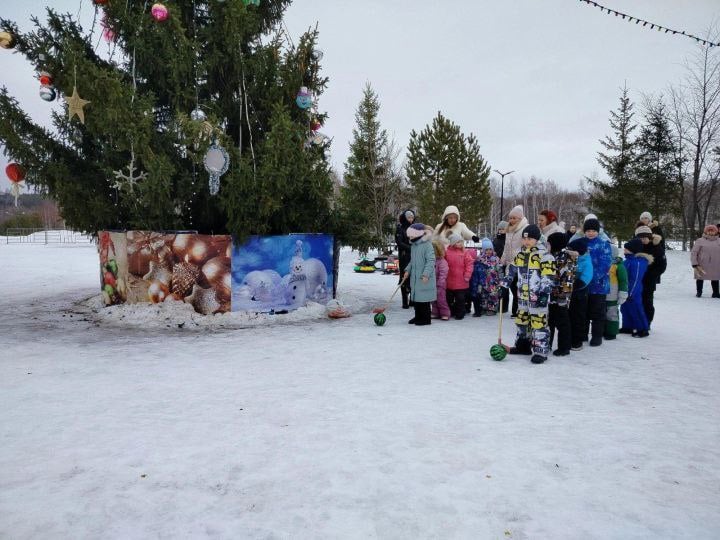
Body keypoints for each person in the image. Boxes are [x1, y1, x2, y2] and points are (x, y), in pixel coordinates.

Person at [503, 224, 555, 364]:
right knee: (522, 321)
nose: (526, 242)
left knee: (538, 323)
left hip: (537, 297)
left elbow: (548, 276)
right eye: (524, 239)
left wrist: (544, 293)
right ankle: (522, 346)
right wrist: (506, 281)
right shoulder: (520, 254)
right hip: (523, 297)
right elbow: (512, 269)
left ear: (537, 239)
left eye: (530, 239)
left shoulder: (544, 256)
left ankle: (540, 351)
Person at [583, 218, 613, 346]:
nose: (590, 233)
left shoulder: (603, 244)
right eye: (588, 230)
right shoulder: (581, 243)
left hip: (599, 285)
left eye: (593, 230)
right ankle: (582, 334)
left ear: (598, 231)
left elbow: (605, 264)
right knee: (583, 311)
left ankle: (597, 336)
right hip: (583, 284)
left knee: (598, 312)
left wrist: (591, 277)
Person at [547, 232, 575, 357]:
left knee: (562, 322)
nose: (547, 245)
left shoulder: (565, 258)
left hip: (561, 296)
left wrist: (563, 295)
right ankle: (546, 343)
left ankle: (564, 347)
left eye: (549, 243)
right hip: (551, 294)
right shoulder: (552, 256)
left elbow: (568, 279)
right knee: (550, 320)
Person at [499, 205, 529, 316]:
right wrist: (502, 259)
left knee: (519, 287)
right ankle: (516, 309)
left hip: (520, 263)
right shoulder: (509, 230)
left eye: (514, 218)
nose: (511, 220)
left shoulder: (525, 228)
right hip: (509, 263)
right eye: (510, 218)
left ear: (520, 218)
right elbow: (506, 247)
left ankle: (517, 310)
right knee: (512, 287)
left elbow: (527, 245)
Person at [404, 223, 436, 326]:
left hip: (424, 277)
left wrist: (426, 274)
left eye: (411, 235)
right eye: (409, 235)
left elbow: (431, 261)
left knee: (424, 300)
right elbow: (412, 261)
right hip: (415, 277)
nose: (410, 237)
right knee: (417, 299)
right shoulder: (414, 246)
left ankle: (426, 319)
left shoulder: (427, 245)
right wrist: (407, 270)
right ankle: (418, 316)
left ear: (418, 234)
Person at [634, 224, 665, 328]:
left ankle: (647, 321)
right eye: (640, 238)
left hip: (649, 280)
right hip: (637, 279)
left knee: (647, 301)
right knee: (636, 300)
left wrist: (652, 275)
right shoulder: (635, 247)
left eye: (645, 238)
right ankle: (637, 320)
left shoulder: (657, 248)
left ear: (650, 237)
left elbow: (662, 265)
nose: (643, 240)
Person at [620, 238, 652, 337]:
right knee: (625, 308)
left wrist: (631, 293)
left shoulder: (638, 262)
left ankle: (643, 329)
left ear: (633, 250)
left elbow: (635, 279)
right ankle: (628, 326)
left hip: (634, 290)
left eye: (626, 249)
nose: (624, 250)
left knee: (636, 309)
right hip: (626, 289)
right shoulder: (628, 260)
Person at [567, 237, 593, 351]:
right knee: (570, 316)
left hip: (580, 294)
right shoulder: (572, 259)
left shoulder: (586, 261)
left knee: (578, 317)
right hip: (570, 294)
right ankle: (570, 338)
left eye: (572, 251)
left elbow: (585, 278)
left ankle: (578, 340)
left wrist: (573, 285)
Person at [444, 233, 474, 319]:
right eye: (458, 242)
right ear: (453, 243)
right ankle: (452, 311)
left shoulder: (465, 252)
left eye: (461, 242)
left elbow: (469, 264)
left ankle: (460, 313)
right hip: (449, 280)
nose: (460, 244)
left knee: (460, 299)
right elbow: (444, 263)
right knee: (449, 298)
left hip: (461, 281)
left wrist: (467, 275)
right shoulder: (447, 252)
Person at [469, 238, 501, 316]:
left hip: (493, 281)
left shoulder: (496, 259)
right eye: (486, 250)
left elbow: (499, 269)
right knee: (483, 295)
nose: (489, 251)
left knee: (492, 295)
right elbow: (476, 268)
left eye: (490, 249)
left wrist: (500, 279)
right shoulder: (480, 258)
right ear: (483, 250)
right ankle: (484, 307)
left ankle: (492, 309)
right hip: (483, 281)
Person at [604, 245, 628, 340]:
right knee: (601, 312)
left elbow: (623, 280)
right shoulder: (601, 262)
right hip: (601, 293)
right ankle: (602, 329)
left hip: (612, 294)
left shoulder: (618, 266)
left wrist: (622, 293)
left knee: (612, 313)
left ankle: (611, 332)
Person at [691, 224, 720, 298]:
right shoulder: (700, 240)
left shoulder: (719, 241)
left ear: (716, 232)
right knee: (700, 278)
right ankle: (699, 292)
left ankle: (716, 293)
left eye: (712, 231)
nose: (710, 232)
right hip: (702, 263)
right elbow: (694, 252)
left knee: (715, 278)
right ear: (706, 232)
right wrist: (694, 263)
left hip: (716, 264)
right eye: (709, 231)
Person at [395, 209, 415, 309]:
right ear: (405, 218)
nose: (411, 219)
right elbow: (399, 242)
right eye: (409, 217)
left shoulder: (414, 228)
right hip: (404, 256)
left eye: (412, 217)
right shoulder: (400, 228)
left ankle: (412, 299)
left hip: (414, 256)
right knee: (404, 277)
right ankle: (404, 301)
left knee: (413, 277)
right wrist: (410, 247)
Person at [431, 240, 450, 320]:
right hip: (432, 284)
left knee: (441, 300)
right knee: (433, 300)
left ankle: (445, 313)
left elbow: (443, 273)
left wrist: (440, 283)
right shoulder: (431, 261)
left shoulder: (442, 262)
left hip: (440, 285)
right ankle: (435, 312)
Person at [493, 220, 509, 313]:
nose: (501, 231)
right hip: (496, 265)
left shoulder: (508, 239)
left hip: (505, 265)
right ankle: (497, 303)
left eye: (503, 229)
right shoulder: (495, 239)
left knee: (504, 287)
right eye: (500, 229)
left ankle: (504, 306)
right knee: (497, 286)